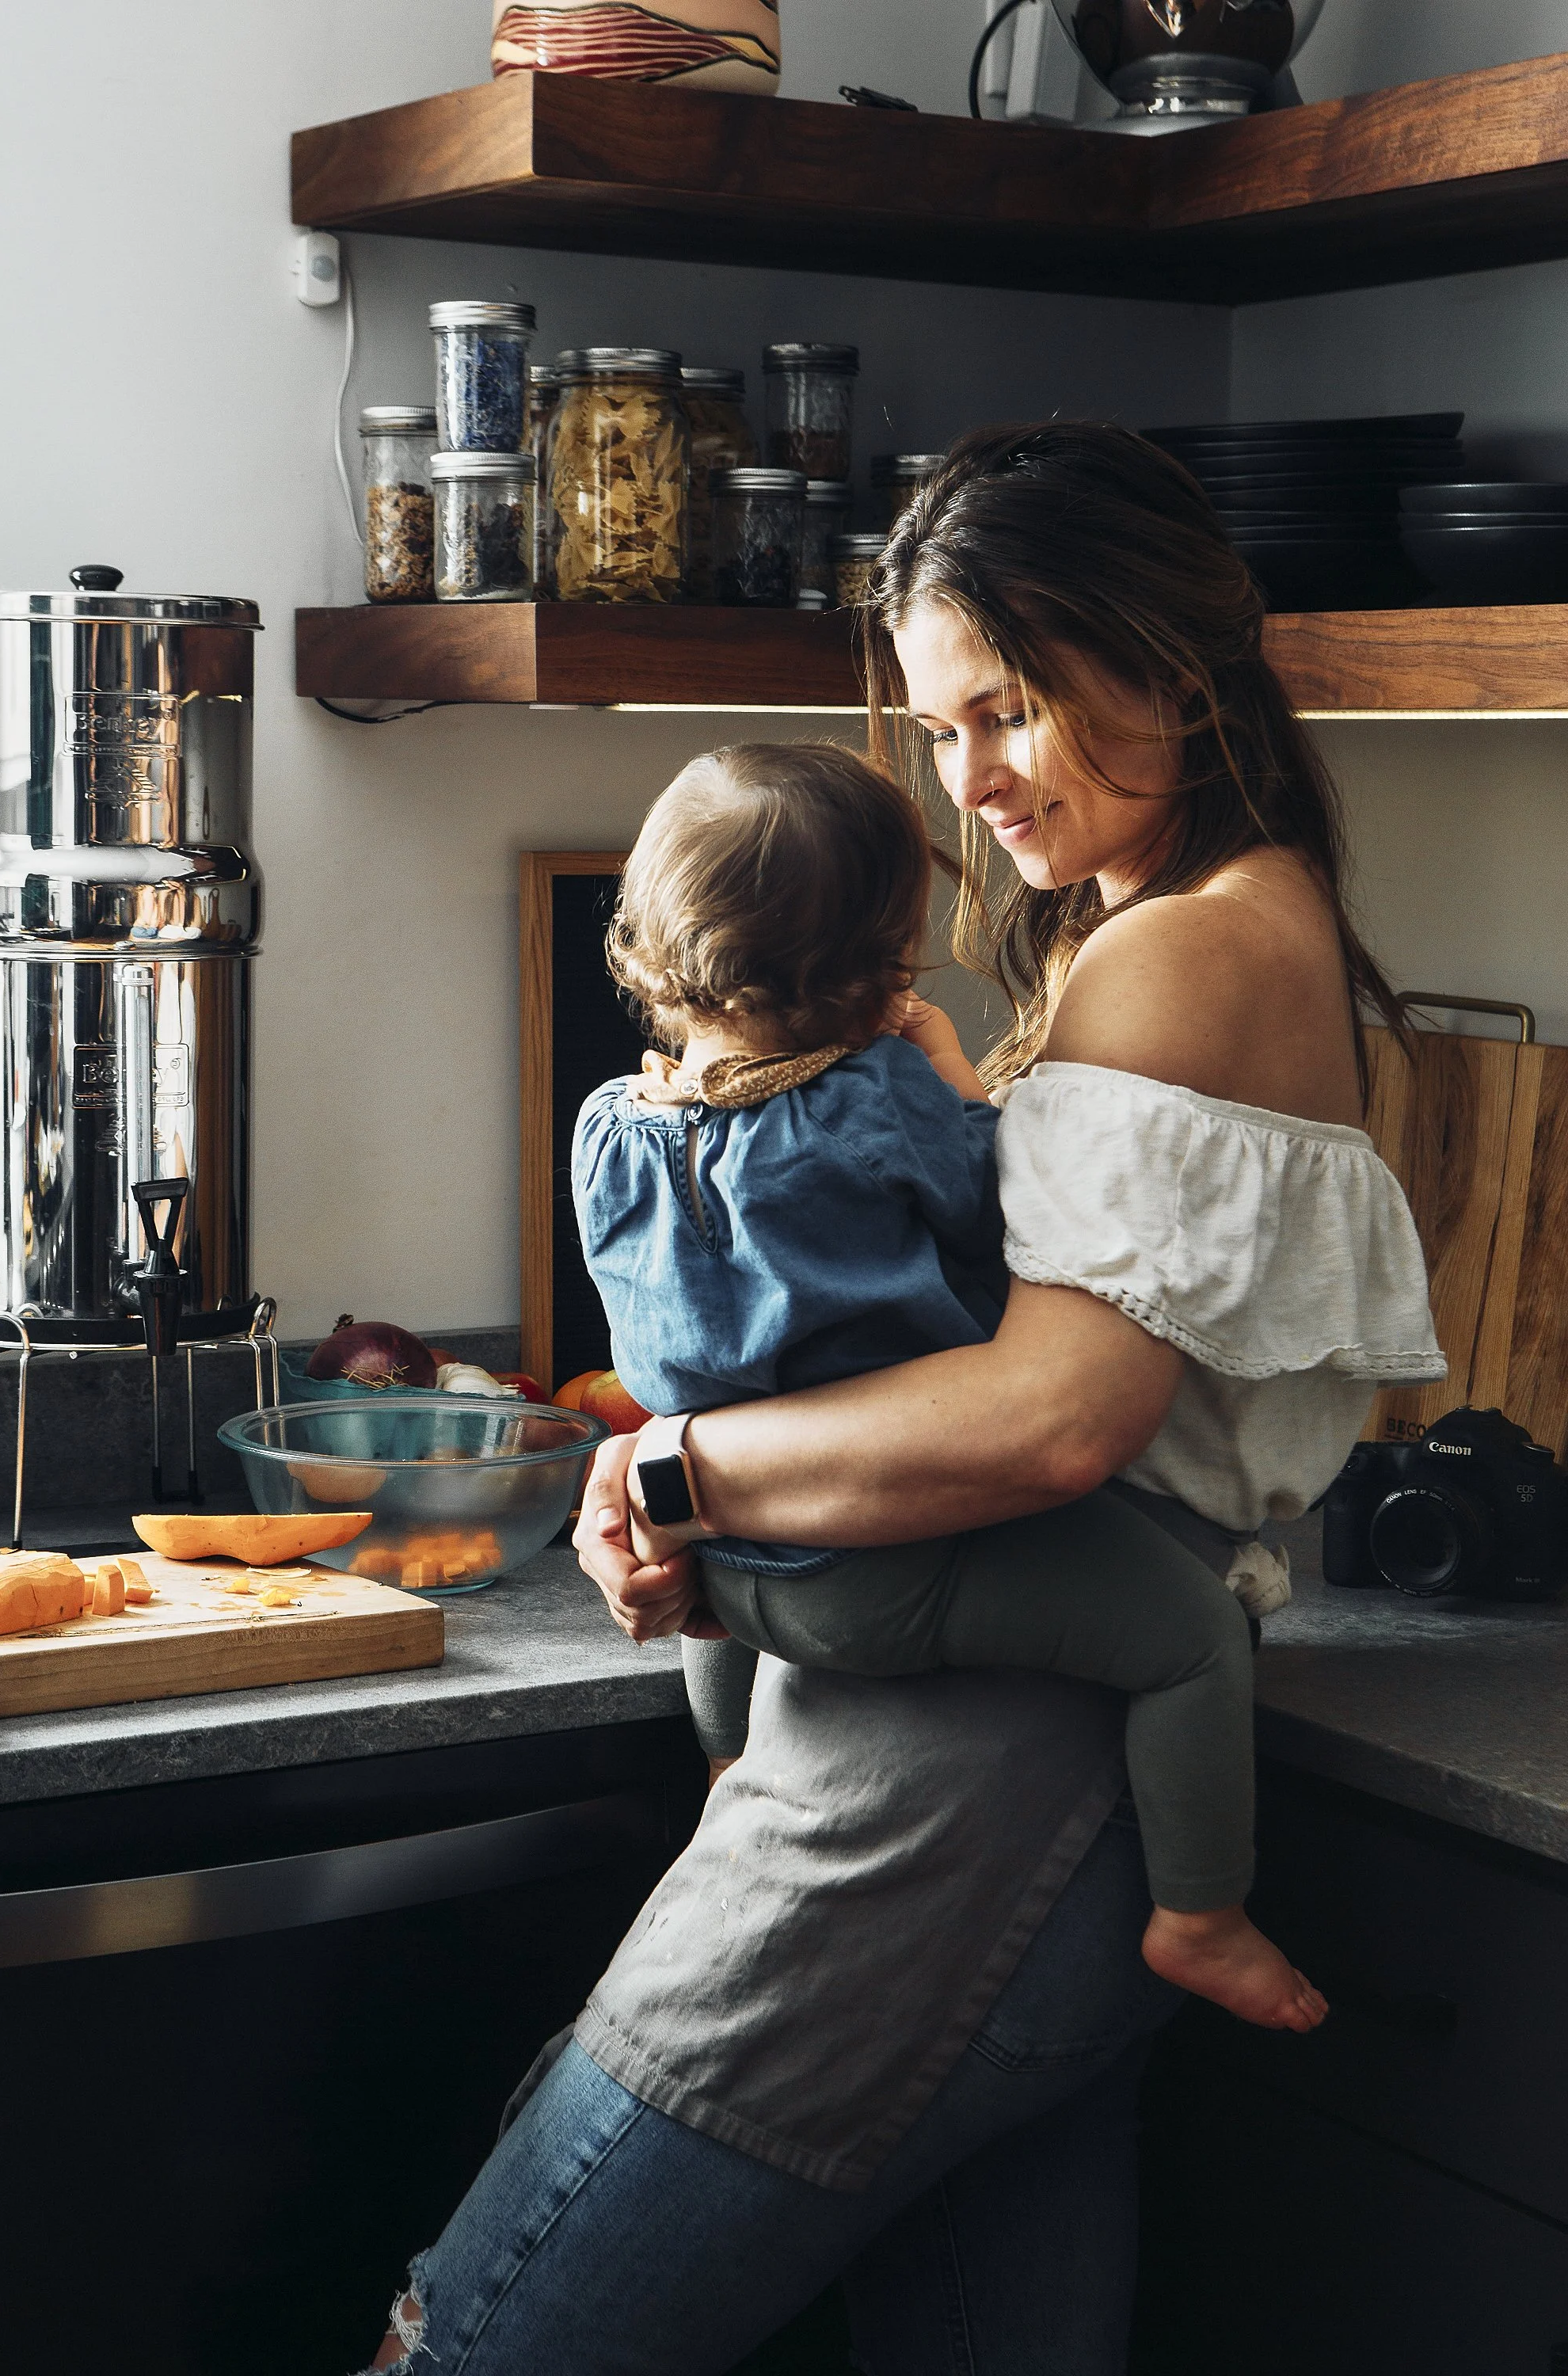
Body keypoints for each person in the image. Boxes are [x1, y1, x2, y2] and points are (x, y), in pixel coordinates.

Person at [365, 423, 1443, 2376]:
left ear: (1169, 672)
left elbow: (1050, 1424)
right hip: (1013, 1781)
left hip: (946, 1807)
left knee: (482, 2341)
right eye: (946, 730)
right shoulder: (1202, 923)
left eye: (1012, 706)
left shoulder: (1179, 958)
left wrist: (672, 1462)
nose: (977, 780)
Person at [573, 737, 1324, 2028]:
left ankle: (726, 1762)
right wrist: (950, 1075)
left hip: (724, 1571)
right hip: (888, 1563)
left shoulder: (610, 1129)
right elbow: (1023, 1220)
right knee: (1194, 1640)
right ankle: (1203, 1914)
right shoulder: (875, 1104)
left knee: (716, 1583)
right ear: (882, 962)